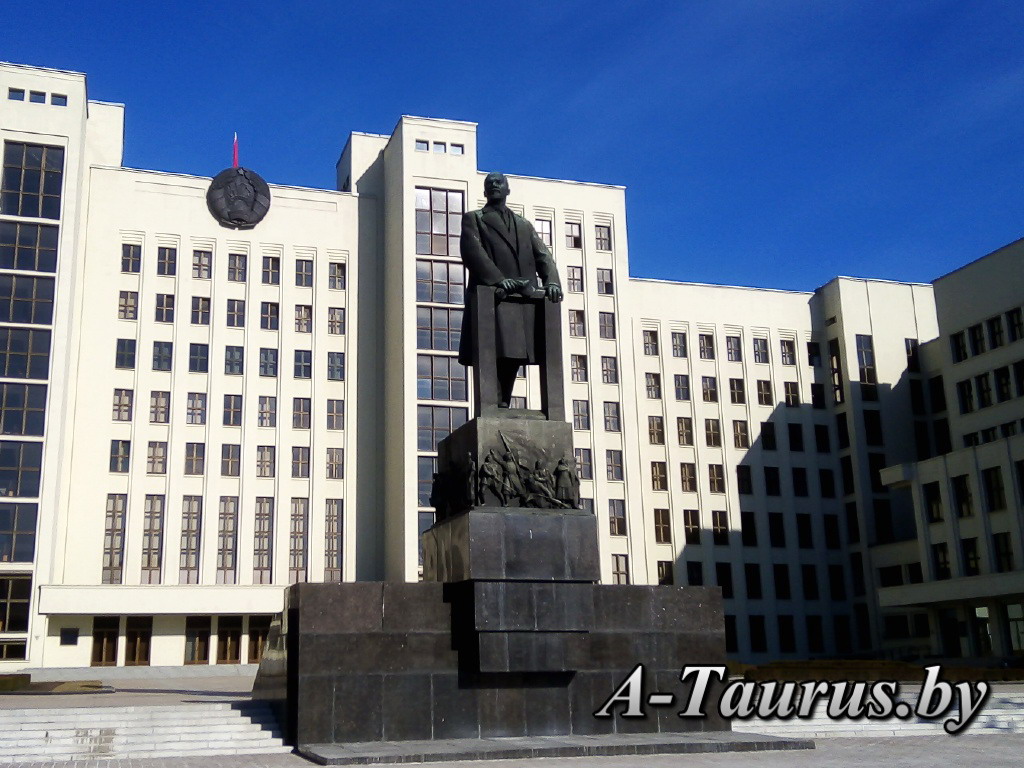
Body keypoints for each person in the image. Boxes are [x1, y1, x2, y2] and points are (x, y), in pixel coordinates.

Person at [458, 172, 563, 408]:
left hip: (522, 298)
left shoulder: (524, 225)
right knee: (494, 349)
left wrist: (552, 281)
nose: (494, 185)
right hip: (493, 298)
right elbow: (472, 251)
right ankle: (493, 403)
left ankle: (503, 400)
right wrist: (497, 280)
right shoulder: (474, 218)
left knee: (514, 350)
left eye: (499, 182)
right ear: (485, 192)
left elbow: (542, 255)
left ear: (507, 190)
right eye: (489, 184)